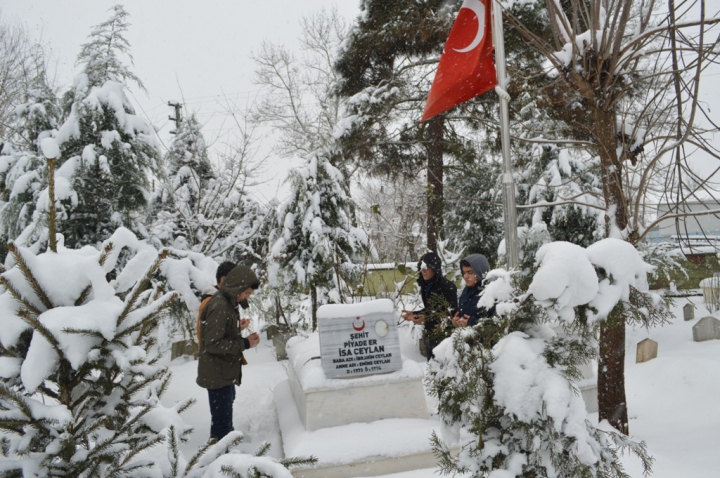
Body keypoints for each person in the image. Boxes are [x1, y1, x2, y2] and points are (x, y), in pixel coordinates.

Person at [197, 264, 261, 441]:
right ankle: (221, 459)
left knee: (225, 416)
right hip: (217, 373)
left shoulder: (227, 303)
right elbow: (213, 343)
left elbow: (219, 331)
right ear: (237, 287)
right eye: (246, 293)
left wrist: (236, 328)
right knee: (221, 424)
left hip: (223, 371)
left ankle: (225, 448)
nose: (247, 297)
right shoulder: (220, 305)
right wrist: (245, 343)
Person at [401, 251, 458, 360]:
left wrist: (427, 319)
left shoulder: (447, 287)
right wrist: (415, 314)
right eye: (422, 267)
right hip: (430, 335)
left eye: (427, 267)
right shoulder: (425, 285)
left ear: (435, 268)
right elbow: (431, 309)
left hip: (444, 337)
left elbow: (452, 314)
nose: (424, 271)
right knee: (431, 369)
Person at [452, 253, 496, 345]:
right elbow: (463, 314)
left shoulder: (491, 292)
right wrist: (456, 322)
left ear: (480, 272)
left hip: (485, 349)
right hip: (467, 347)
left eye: (470, 272)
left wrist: (471, 322)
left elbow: (496, 323)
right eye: (464, 272)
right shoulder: (466, 291)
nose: (466, 276)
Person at [196, 261, 236, 353]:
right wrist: (246, 343)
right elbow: (210, 341)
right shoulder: (211, 302)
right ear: (224, 280)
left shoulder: (221, 301)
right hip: (218, 363)